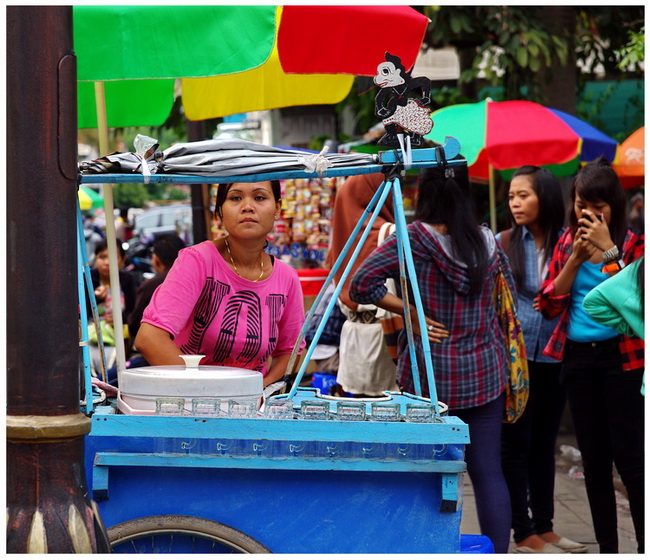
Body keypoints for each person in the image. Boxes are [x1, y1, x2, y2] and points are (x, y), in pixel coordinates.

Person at [349, 162, 512, 553]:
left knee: (428, 473)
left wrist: (410, 312)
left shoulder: (413, 239)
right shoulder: (487, 241)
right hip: (485, 373)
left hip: (429, 380)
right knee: (489, 473)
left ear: (425, 194)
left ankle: (428, 548)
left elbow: (360, 284)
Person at [537, 157, 644, 554]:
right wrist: (576, 261)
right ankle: (608, 549)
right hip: (579, 360)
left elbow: (637, 304)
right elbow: (547, 304)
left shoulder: (635, 245)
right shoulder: (568, 241)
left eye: (598, 206)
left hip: (624, 361)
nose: (589, 214)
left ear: (613, 205)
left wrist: (611, 252)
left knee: (631, 462)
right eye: (582, 205)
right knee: (595, 465)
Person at [136, 181, 305, 388]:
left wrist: (262, 386)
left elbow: (292, 350)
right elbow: (149, 339)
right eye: (235, 198)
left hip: (249, 406)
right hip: (188, 402)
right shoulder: (197, 260)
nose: (248, 207)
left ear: (277, 208)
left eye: (259, 197)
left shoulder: (287, 278)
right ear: (220, 212)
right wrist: (209, 392)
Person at [497, 167, 586, 553]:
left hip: (556, 354)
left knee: (544, 444)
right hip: (516, 360)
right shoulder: (502, 242)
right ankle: (523, 531)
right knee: (516, 445)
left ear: (545, 197)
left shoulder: (568, 244)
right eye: (512, 196)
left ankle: (546, 527)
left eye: (524, 195)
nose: (515, 202)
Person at [326, 172, 398, 397]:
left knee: (360, 409)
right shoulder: (389, 233)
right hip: (384, 336)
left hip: (352, 335)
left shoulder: (341, 235)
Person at [88, 238, 137, 375]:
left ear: (122, 260)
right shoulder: (88, 279)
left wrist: (119, 319)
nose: (107, 262)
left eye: (113, 257)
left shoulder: (127, 280)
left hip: (119, 338)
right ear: (95, 258)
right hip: (92, 339)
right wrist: (95, 300)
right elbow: (80, 312)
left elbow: (133, 312)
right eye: (102, 257)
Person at [128, 234, 186, 341]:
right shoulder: (193, 279)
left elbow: (134, 324)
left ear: (156, 259)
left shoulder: (151, 285)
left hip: (159, 347)